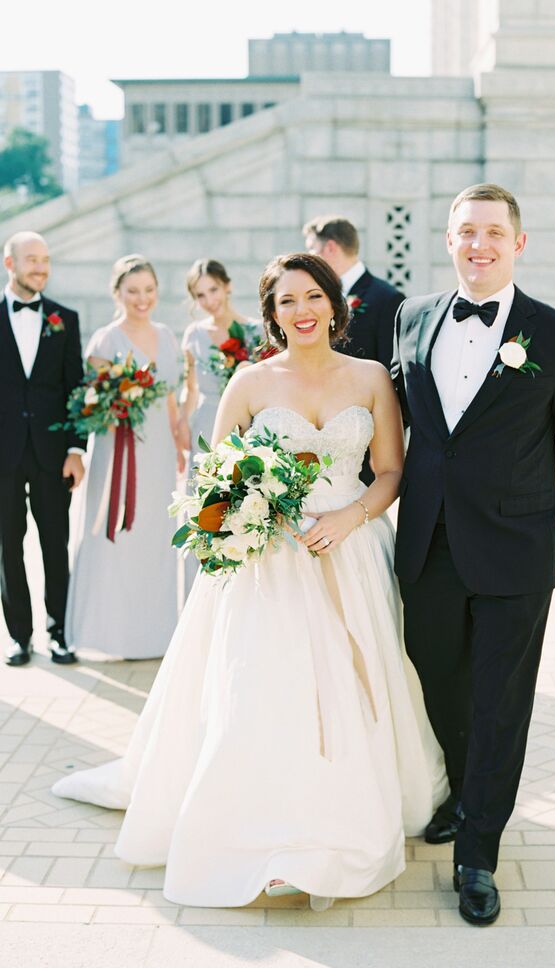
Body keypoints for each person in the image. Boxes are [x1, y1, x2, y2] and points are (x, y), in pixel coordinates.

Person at [52, 252, 447, 909]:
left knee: (351, 690)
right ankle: (266, 836)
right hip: (268, 562)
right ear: (270, 314)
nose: (302, 311)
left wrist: (349, 517)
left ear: (333, 303)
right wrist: (242, 521)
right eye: (286, 301)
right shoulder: (249, 382)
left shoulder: (372, 377)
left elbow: (388, 473)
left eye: (313, 296)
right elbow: (213, 479)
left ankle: (340, 824)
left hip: (350, 553)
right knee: (267, 692)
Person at [391, 183, 555, 926]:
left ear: (517, 244)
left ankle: (477, 850)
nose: (477, 243)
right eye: (464, 231)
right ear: (448, 241)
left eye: (491, 231)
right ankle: (464, 790)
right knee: (435, 677)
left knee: (499, 702)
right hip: (427, 541)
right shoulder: (411, 318)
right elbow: (391, 422)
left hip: (516, 546)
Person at [65, 255, 184, 659]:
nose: (142, 299)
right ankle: (109, 633)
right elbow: (93, 402)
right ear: (116, 293)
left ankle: (154, 633)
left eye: (149, 290)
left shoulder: (167, 335)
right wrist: (116, 406)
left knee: (155, 535)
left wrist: (179, 437)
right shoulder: (105, 340)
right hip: (117, 453)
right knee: (115, 533)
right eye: (133, 291)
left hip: (160, 455)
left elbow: (172, 400)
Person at [0, 231, 84, 666]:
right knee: (7, 545)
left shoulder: (64, 319)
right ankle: (19, 636)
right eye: (32, 260)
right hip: (4, 457)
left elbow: (76, 388)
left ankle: (60, 633)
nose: (41, 268)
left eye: (46, 260)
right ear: (10, 264)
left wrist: (76, 448)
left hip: (53, 453)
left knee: (56, 542)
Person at [177, 259, 262, 594]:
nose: (209, 299)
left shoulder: (256, 330)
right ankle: (200, 592)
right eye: (200, 295)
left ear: (227, 286)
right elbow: (190, 386)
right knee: (202, 506)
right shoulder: (194, 334)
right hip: (204, 422)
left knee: (242, 504)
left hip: (244, 427)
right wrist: (182, 423)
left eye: (213, 289)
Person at [304, 215, 405, 485]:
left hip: (359, 437)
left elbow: (394, 373)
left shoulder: (386, 298)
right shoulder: (316, 298)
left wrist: (382, 441)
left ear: (331, 248)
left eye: (313, 249)